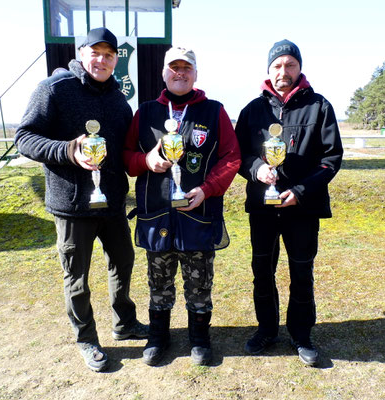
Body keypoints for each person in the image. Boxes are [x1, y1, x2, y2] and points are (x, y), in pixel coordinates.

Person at [14, 27, 147, 373]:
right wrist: (68, 150)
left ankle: (124, 323)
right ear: (81, 52)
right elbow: (25, 137)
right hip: (72, 207)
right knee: (77, 277)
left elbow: (125, 150)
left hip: (113, 203)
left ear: (116, 59)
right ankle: (87, 338)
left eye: (109, 55)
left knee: (123, 261)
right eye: (96, 53)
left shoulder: (119, 100)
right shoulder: (53, 89)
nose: (102, 60)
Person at [123, 47, 241, 366]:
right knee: (158, 283)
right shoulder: (145, 112)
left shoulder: (214, 111)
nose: (180, 73)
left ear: (195, 74)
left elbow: (231, 158)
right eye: (173, 67)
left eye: (186, 68)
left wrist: (207, 188)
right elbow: (127, 157)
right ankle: (158, 337)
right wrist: (146, 160)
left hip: (198, 217)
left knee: (199, 283)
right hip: (156, 216)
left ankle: (199, 339)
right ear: (164, 74)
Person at [235, 39, 343, 367]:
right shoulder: (253, 110)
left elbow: (331, 159)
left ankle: (301, 334)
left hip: (302, 209)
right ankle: (267, 329)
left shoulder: (320, 107)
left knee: (301, 272)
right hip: (263, 208)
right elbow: (238, 156)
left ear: (299, 67)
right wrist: (257, 169)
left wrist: (300, 190)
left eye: (290, 64)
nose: (284, 71)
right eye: (278, 65)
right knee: (262, 271)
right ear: (269, 70)